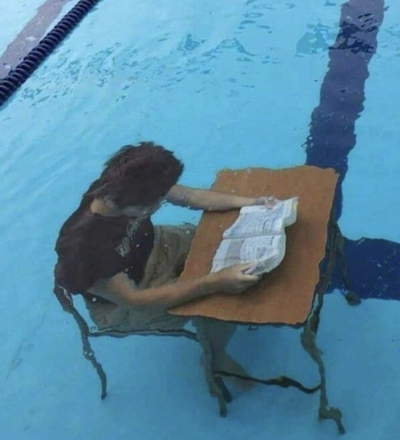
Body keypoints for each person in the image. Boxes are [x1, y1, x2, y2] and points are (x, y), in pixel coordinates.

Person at [54, 142, 277, 385]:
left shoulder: (125, 184)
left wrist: (250, 203)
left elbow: (189, 196)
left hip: (153, 247)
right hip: (123, 300)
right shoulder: (83, 250)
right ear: (117, 204)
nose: (160, 205)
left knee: (219, 238)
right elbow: (135, 300)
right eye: (153, 204)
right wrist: (214, 282)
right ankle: (216, 357)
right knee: (214, 303)